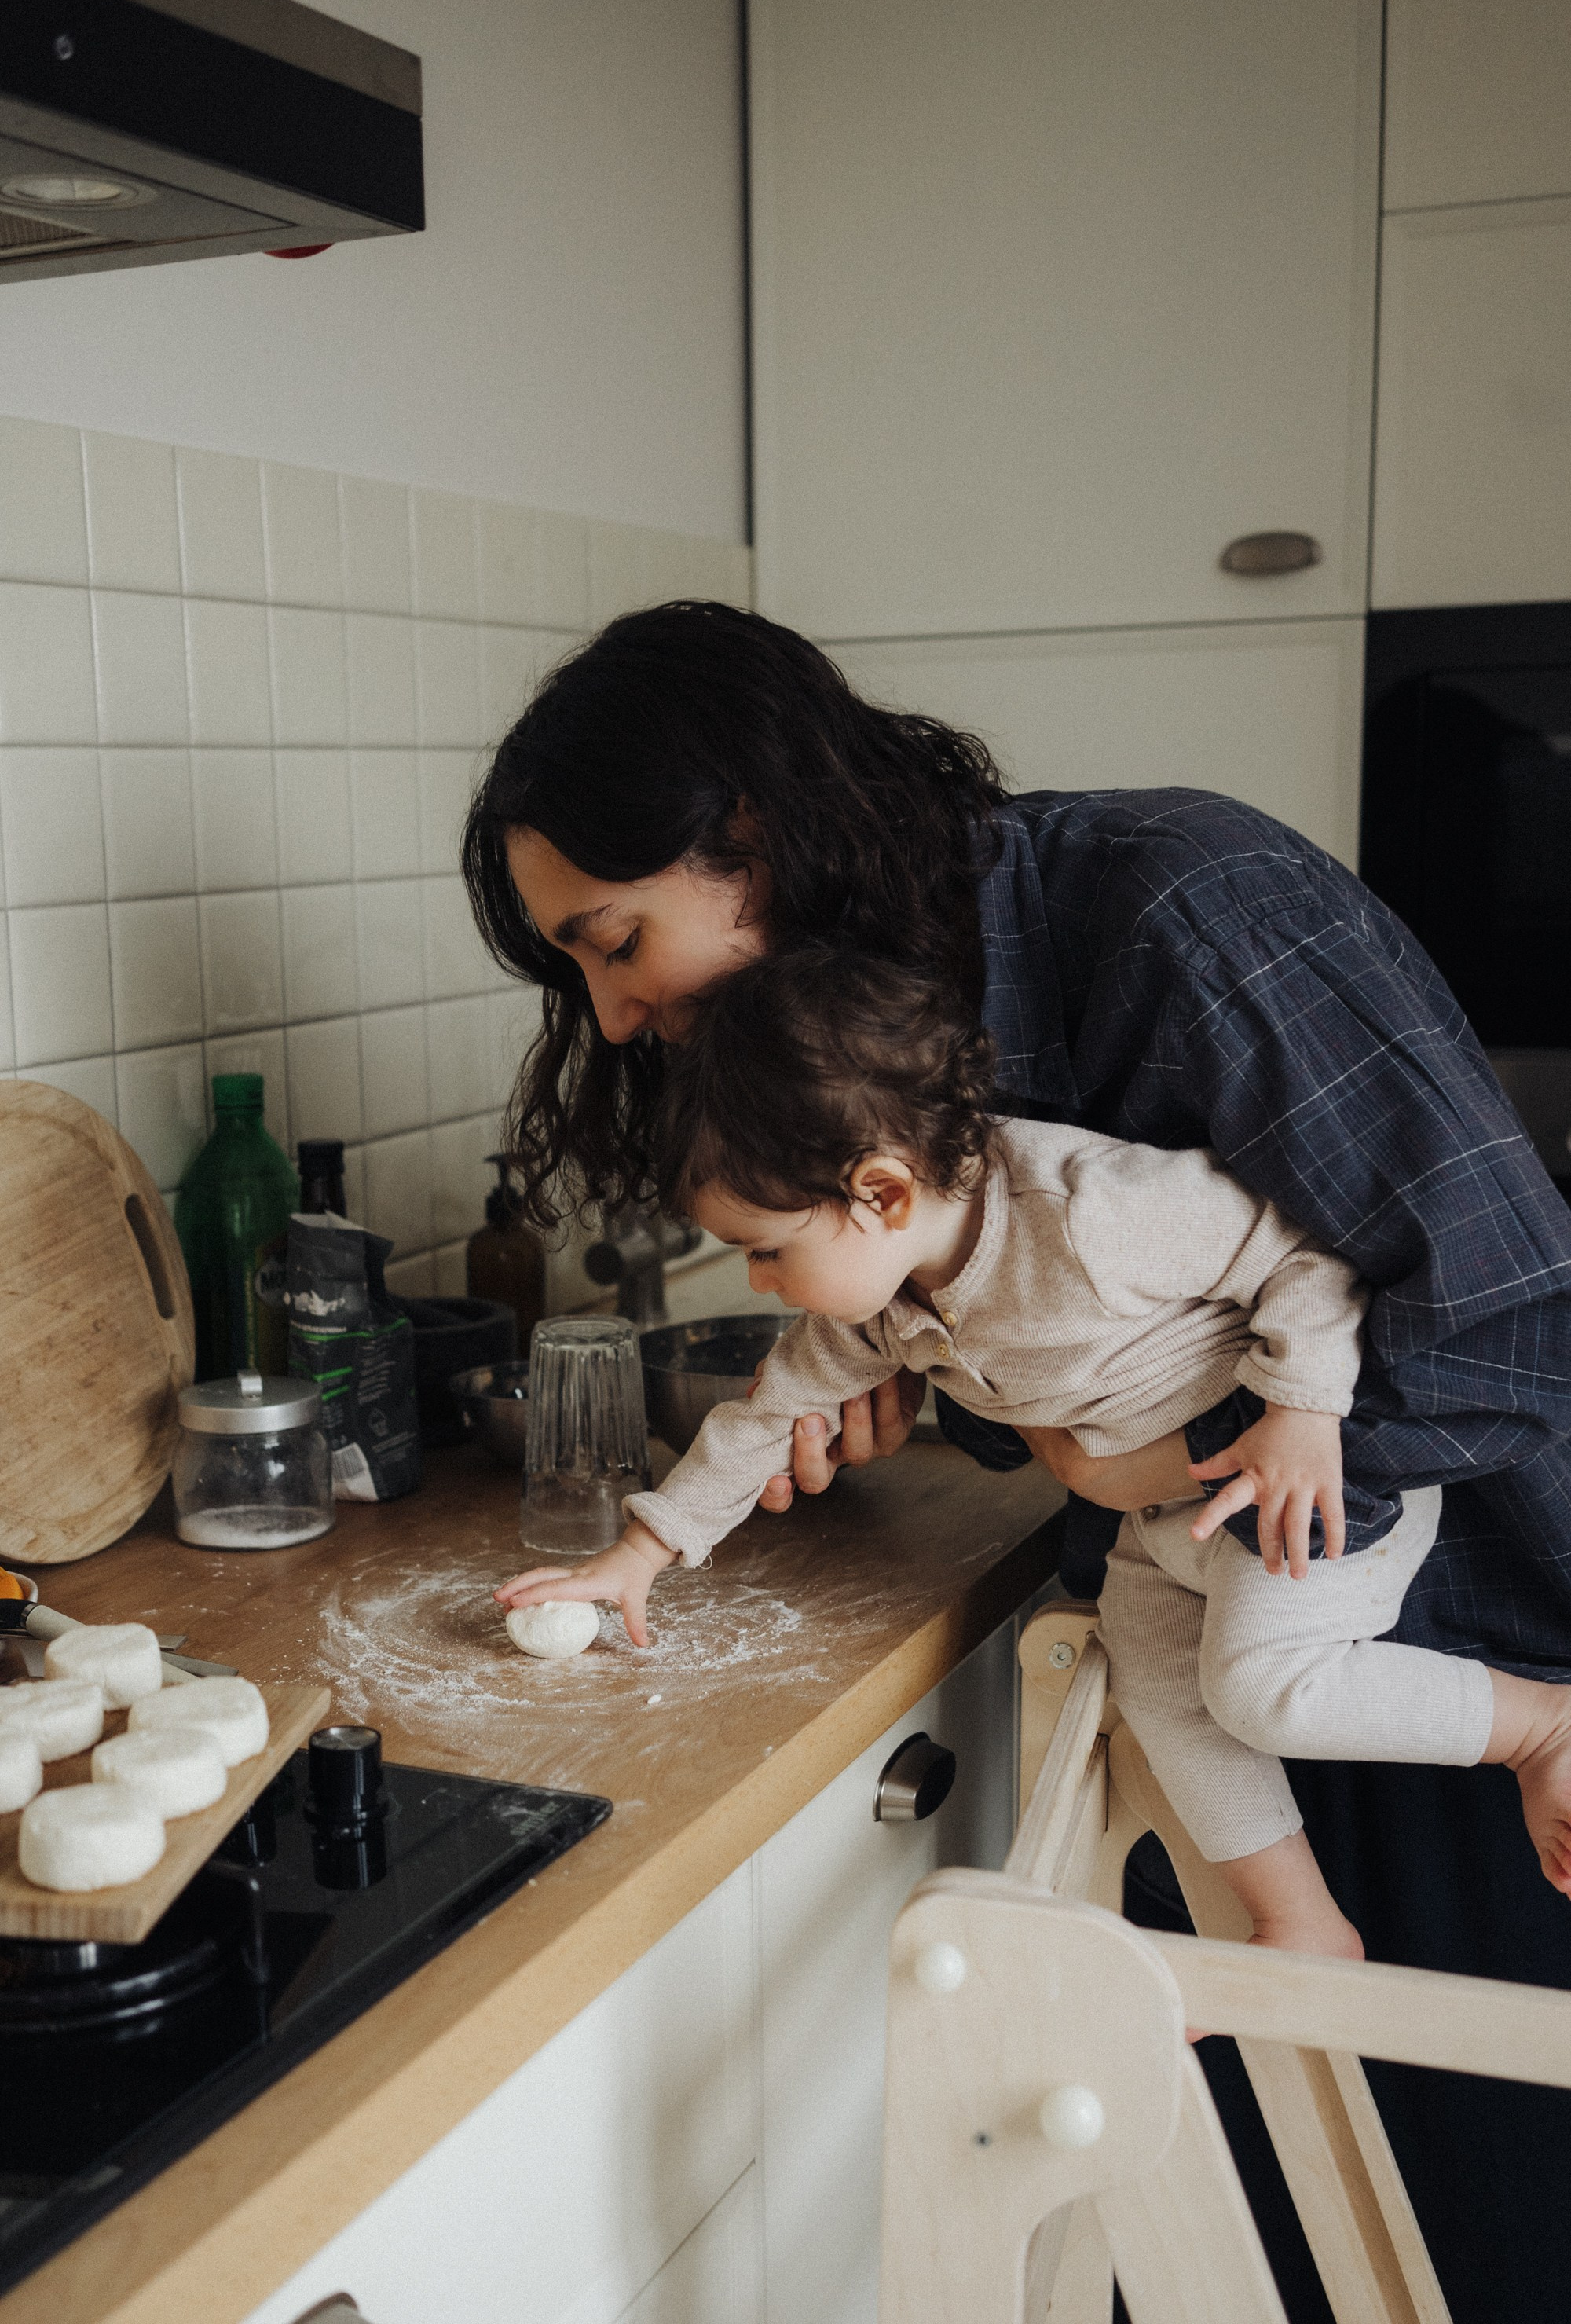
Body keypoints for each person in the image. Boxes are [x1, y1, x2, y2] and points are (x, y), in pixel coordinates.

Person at [463, 600, 1571, 2319]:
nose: (607, 1020)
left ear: (749, 834)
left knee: (1457, 2235)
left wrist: (1107, 1453)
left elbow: (1499, 1319)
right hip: (1211, 1641)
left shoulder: (1180, 911)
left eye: (614, 942)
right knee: (1240, 2235)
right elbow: (1026, 1339)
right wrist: (945, 1383)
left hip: (1461, 1637)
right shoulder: (857, 1080)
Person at [494, 947, 1571, 1959]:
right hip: (1177, 1526)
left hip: (1305, 1495)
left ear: (881, 1192)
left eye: (768, 1254)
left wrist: (1299, 1408)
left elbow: (1307, 1254)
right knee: (1155, 1677)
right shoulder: (885, 1304)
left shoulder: (1087, 1212)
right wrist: (640, 1554)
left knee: (1260, 1689)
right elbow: (763, 1416)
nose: (763, 1286)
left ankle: (1540, 1729)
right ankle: (1303, 1925)